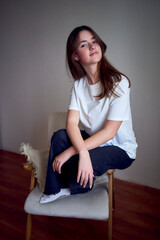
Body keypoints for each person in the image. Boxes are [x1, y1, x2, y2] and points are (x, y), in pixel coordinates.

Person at [40, 25, 138, 204]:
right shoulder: (79, 85)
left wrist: (75, 152)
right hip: (94, 141)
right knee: (60, 136)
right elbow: (71, 123)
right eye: (84, 45)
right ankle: (54, 190)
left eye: (94, 42)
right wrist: (81, 151)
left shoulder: (119, 82)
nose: (92, 46)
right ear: (75, 56)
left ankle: (72, 188)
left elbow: (109, 133)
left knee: (84, 158)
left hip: (120, 148)